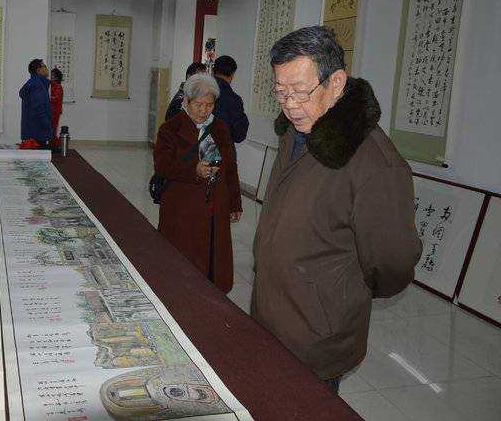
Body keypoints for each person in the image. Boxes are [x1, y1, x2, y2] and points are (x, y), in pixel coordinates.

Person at [251, 26, 421, 392]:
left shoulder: (375, 165)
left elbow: (393, 263)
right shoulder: (295, 132)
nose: (289, 104)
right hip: (271, 316)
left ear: (337, 82)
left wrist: (334, 294)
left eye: (300, 90)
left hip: (315, 334)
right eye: (280, 91)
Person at [154, 73, 242, 294]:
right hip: (182, 208)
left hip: (215, 206)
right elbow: (162, 166)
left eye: (209, 105)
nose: (204, 111)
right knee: (183, 257)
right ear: (187, 101)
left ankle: (210, 294)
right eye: (199, 105)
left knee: (213, 255)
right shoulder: (170, 129)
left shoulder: (220, 128)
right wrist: (193, 169)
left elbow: (231, 168)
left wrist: (235, 202)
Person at [212, 55, 249, 144]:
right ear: (232, 75)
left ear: (213, 71)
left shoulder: (198, 89)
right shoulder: (233, 100)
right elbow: (239, 135)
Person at [20, 59, 52, 146]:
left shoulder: (35, 83)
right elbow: (38, 108)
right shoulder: (37, 85)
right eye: (44, 66)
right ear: (38, 70)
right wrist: (47, 125)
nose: (47, 69)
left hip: (33, 132)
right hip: (38, 132)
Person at [50, 67, 64, 148]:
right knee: (51, 129)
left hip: (55, 111)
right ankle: (54, 144)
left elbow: (56, 98)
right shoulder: (52, 85)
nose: (50, 77)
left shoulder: (58, 86)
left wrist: (46, 98)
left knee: (53, 129)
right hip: (52, 110)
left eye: (52, 75)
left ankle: (56, 145)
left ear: (56, 77)